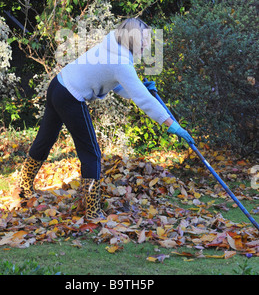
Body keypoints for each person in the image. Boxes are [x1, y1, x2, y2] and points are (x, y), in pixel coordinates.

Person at [18, 18, 194, 220]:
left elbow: (118, 86)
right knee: (91, 153)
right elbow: (143, 100)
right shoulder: (121, 62)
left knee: (45, 139)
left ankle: (24, 188)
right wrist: (172, 125)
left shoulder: (112, 46)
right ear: (132, 39)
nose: (147, 43)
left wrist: (141, 88)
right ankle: (93, 211)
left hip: (58, 85)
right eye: (144, 39)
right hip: (70, 95)